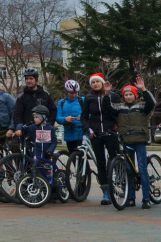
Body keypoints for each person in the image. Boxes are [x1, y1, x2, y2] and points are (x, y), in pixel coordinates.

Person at [106, 78, 155, 209]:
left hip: (140, 141)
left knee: (142, 170)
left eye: (131, 94)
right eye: (126, 95)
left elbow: (152, 103)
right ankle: (131, 198)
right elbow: (107, 107)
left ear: (135, 95)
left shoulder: (142, 106)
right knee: (128, 171)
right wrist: (107, 93)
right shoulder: (119, 108)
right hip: (126, 141)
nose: (128, 97)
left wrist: (143, 89)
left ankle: (146, 199)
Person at [82, 73, 118, 205]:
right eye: (93, 82)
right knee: (101, 162)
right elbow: (84, 117)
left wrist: (116, 124)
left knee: (115, 158)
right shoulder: (88, 98)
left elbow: (117, 112)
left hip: (110, 131)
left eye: (97, 81)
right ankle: (106, 191)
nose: (95, 84)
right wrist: (88, 129)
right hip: (95, 134)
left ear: (102, 82)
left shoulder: (112, 95)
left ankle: (121, 183)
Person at [56, 80, 85, 153]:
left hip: (82, 134)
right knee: (73, 157)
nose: (74, 95)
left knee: (82, 157)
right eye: (71, 93)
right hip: (69, 134)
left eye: (76, 93)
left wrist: (82, 118)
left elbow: (89, 115)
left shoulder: (82, 100)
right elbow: (58, 118)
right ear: (67, 92)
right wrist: (65, 119)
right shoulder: (62, 102)